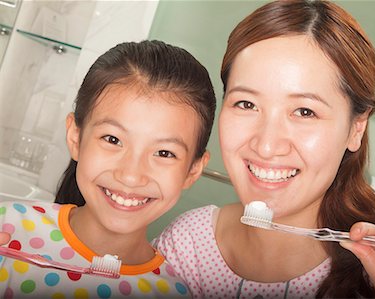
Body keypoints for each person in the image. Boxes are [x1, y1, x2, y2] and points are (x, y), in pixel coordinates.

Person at [153, 1, 375, 298]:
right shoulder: (184, 247)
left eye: (305, 112)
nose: (267, 146)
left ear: (356, 128)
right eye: (247, 104)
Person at [0, 39, 216, 298]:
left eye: (164, 153)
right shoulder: (8, 226)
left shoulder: (173, 292)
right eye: (112, 140)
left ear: (192, 171)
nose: (131, 175)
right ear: (75, 138)